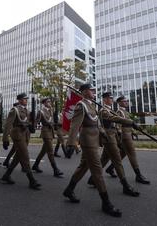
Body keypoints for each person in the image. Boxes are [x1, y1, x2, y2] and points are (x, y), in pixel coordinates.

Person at [63, 84, 122, 217]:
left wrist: (103, 133)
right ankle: (106, 203)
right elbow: (74, 125)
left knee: (83, 166)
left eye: (94, 90)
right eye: (91, 90)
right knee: (97, 170)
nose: (94, 92)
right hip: (88, 141)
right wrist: (71, 144)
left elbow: (97, 122)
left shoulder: (92, 105)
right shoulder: (81, 105)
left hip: (95, 140)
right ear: (84, 92)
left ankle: (69, 190)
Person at [87, 92, 140, 197]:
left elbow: (116, 124)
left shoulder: (109, 110)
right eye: (109, 98)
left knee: (104, 160)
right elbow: (113, 119)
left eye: (111, 98)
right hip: (108, 138)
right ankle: (125, 186)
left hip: (113, 137)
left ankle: (92, 179)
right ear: (105, 99)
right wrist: (130, 122)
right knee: (117, 160)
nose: (111, 100)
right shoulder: (103, 111)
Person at [104, 96, 150, 184]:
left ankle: (110, 168)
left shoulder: (125, 112)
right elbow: (119, 125)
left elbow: (129, 123)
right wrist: (120, 137)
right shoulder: (119, 112)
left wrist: (132, 132)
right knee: (132, 154)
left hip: (128, 134)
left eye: (127, 101)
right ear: (119, 103)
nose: (126, 102)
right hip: (124, 136)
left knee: (123, 153)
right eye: (124, 101)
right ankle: (138, 175)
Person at [2, 93, 41, 190]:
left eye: (26, 99)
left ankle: (6, 175)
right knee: (25, 156)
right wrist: (5, 138)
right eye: (24, 99)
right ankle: (32, 180)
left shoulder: (27, 110)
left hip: (25, 134)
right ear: (19, 100)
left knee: (18, 156)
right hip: (18, 134)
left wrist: (33, 119)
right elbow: (8, 124)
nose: (26, 101)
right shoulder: (14, 110)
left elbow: (29, 123)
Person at [32, 98, 63, 177]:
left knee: (43, 151)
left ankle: (35, 165)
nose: (49, 103)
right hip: (45, 132)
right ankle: (55, 169)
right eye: (48, 102)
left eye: (50, 101)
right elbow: (36, 121)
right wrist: (32, 127)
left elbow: (53, 121)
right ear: (44, 103)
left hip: (51, 131)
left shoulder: (51, 111)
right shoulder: (41, 111)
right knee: (50, 151)